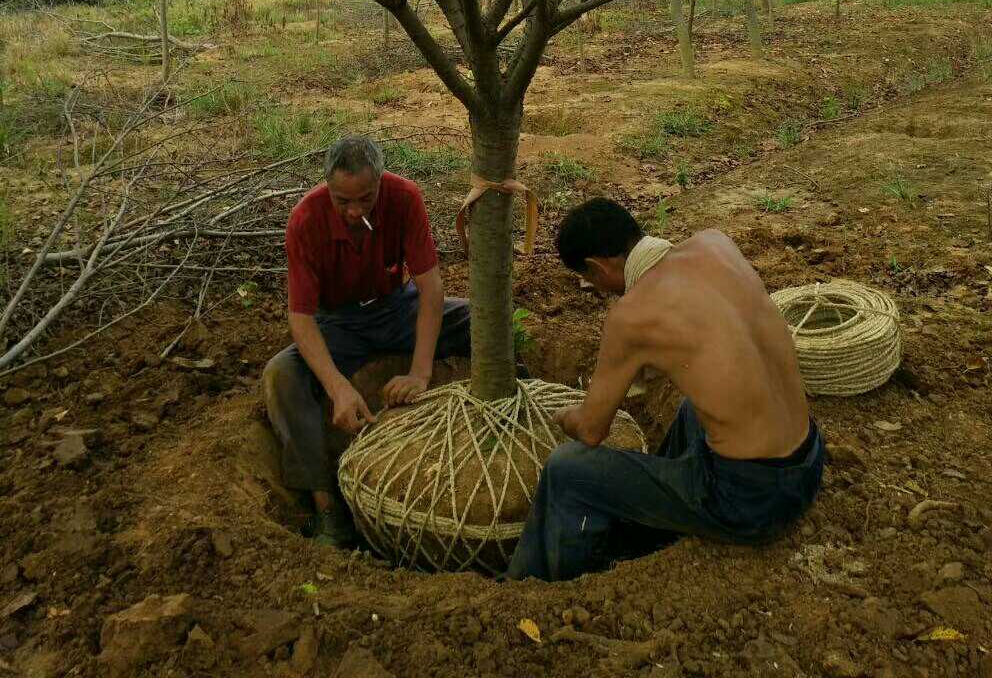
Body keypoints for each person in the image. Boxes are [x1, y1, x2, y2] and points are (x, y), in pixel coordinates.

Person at [506, 198, 823, 581]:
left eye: (590, 280)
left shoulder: (632, 317)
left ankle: (534, 584)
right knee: (693, 408)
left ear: (597, 266)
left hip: (750, 502)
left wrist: (561, 415)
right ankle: (654, 525)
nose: (597, 289)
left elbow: (591, 431)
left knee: (567, 469)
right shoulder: (715, 242)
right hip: (808, 463)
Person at [264, 135, 470, 547]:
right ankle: (328, 511)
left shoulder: (405, 197)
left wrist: (420, 372)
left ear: (380, 182)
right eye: (343, 201)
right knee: (282, 374)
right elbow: (301, 319)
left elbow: (431, 289)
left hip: (398, 308)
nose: (355, 211)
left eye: (366, 199)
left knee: (481, 318)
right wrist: (338, 386)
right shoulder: (305, 219)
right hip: (337, 324)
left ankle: (515, 410)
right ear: (327, 187)